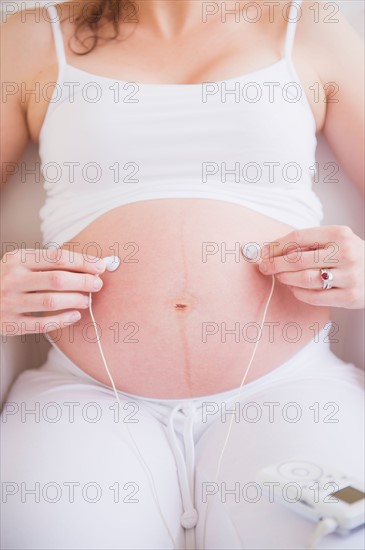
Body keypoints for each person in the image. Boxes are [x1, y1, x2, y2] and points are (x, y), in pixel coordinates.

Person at [1, 1, 364, 548]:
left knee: (338, 534)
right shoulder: (32, 36)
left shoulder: (311, 27)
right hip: (84, 396)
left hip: (292, 386)